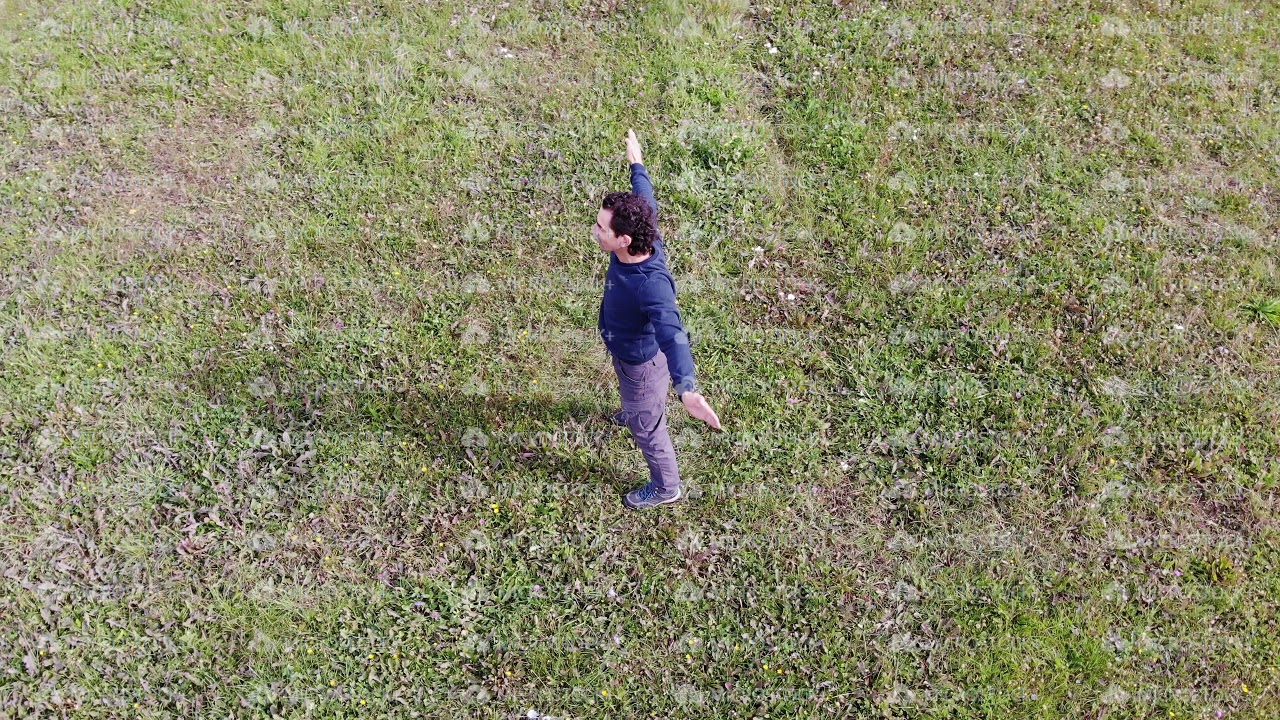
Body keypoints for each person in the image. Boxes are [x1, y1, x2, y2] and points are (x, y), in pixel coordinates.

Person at [593, 129, 722, 510]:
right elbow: (645, 194)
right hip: (628, 352)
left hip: (642, 362)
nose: (595, 232)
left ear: (624, 241)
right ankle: (635, 408)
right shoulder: (642, 229)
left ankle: (667, 487)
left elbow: (672, 333)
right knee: (638, 405)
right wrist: (637, 162)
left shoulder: (651, 287)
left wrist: (687, 388)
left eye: (602, 228)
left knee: (647, 429)